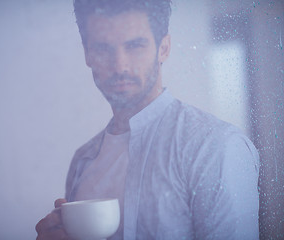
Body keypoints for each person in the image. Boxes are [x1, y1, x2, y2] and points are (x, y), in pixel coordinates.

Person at [35, 0, 260, 239]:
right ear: (87, 53)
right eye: (103, 48)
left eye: (134, 45)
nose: (119, 65)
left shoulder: (215, 147)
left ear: (163, 48)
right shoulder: (82, 161)